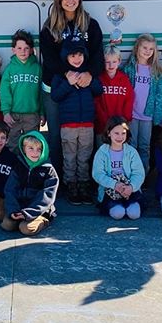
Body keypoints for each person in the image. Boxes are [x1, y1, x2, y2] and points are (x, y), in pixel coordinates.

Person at [40, 0, 104, 173]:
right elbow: (49, 58)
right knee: (56, 137)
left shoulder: (91, 25)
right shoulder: (50, 27)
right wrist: (66, 73)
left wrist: (88, 74)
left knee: (83, 138)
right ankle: (57, 179)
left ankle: (82, 181)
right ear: (59, 1)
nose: (70, 1)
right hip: (55, 87)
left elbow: (97, 55)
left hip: (81, 90)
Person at [51, 40, 102, 205]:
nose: (77, 58)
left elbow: (98, 90)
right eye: (73, 55)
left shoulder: (88, 73)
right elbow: (55, 96)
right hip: (68, 125)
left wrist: (90, 80)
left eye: (80, 55)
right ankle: (70, 184)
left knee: (84, 156)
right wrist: (68, 83)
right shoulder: (61, 76)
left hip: (87, 123)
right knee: (70, 156)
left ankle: (83, 185)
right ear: (66, 57)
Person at [122, 33, 162, 173]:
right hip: (132, 114)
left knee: (145, 146)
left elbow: (160, 97)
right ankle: (131, 173)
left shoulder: (157, 72)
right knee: (131, 144)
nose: (147, 51)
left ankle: (143, 175)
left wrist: (158, 117)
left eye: (151, 49)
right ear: (137, 48)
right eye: (144, 47)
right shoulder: (128, 69)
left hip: (147, 115)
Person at [1, 131, 59, 236]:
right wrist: (14, 210)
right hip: (21, 206)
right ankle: (19, 217)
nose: (35, 153)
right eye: (31, 148)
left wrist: (28, 213)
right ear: (24, 149)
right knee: (7, 225)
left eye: (39, 149)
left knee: (26, 228)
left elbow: (47, 196)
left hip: (38, 209)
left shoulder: (48, 170)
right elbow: (10, 189)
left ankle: (44, 220)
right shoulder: (19, 166)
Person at [92, 116, 145, 220]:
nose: (120, 137)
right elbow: (98, 174)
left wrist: (131, 187)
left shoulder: (131, 152)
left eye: (123, 133)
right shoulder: (102, 152)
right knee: (118, 214)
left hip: (130, 189)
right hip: (110, 190)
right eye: (116, 133)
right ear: (108, 133)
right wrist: (114, 185)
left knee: (134, 214)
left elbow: (139, 173)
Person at [0, 30, 43, 153]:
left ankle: (30, 169)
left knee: (32, 145)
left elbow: (41, 92)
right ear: (13, 50)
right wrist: (6, 112)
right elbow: (4, 92)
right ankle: (13, 170)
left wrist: (42, 112)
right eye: (19, 48)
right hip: (13, 115)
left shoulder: (37, 68)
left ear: (31, 50)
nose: (23, 51)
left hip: (32, 115)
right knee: (13, 145)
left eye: (26, 48)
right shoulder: (10, 69)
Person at [94, 44, 134, 149]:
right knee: (102, 152)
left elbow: (129, 100)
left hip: (120, 128)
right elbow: (96, 103)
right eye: (107, 62)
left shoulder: (124, 79)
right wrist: (106, 123)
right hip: (102, 127)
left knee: (119, 153)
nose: (111, 65)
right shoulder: (99, 79)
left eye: (114, 62)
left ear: (119, 61)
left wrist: (124, 121)